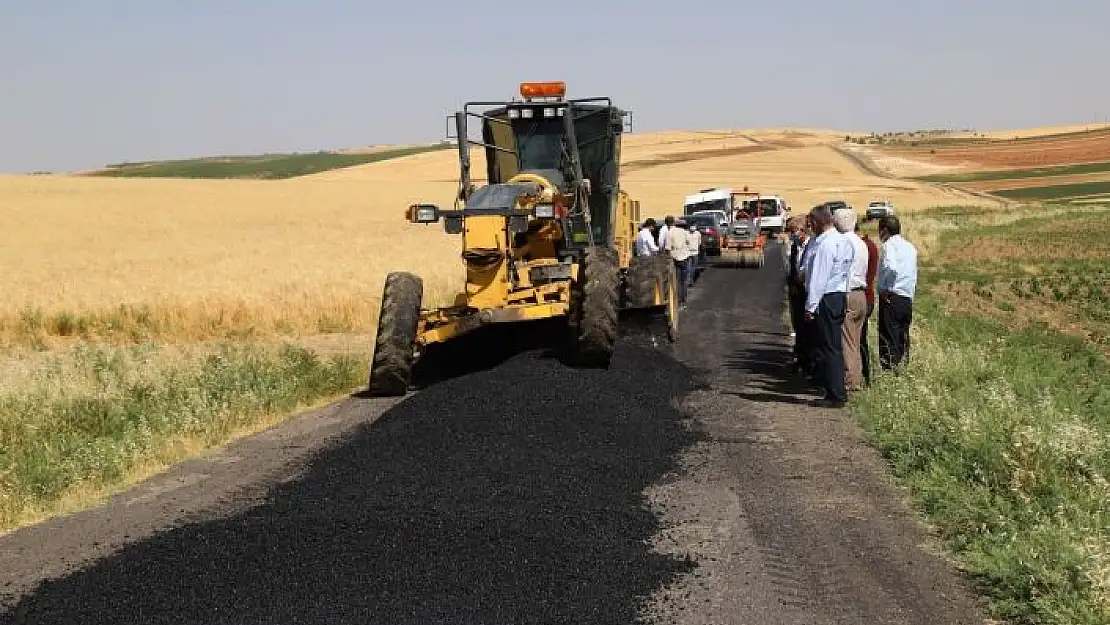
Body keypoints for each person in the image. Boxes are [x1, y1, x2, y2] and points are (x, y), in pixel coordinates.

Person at [803, 203, 855, 408]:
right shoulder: (844, 241)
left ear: (817, 222)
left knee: (829, 347)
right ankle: (836, 389)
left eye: (811, 223)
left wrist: (810, 306)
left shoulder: (825, 245)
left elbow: (819, 277)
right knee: (834, 345)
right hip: (839, 294)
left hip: (826, 297)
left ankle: (835, 394)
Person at [876, 215, 918, 371]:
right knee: (902, 336)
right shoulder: (910, 247)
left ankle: (889, 370)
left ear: (885, 231)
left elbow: (891, 267)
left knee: (888, 338)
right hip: (906, 298)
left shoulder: (889, 246)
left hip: (892, 297)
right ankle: (902, 368)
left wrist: (886, 288)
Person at [833, 208, 868, 392]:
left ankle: (850, 381)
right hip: (861, 293)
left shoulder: (843, 242)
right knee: (855, 339)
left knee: (846, 340)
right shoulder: (861, 243)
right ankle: (857, 377)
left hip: (848, 293)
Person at [785, 215, 811, 372]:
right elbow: (791, 268)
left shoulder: (811, 247)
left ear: (803, 231)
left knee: (806, 327)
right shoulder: (795, 247)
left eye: (794, 231)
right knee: (798, 325)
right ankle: (800, 356)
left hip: (806, 292)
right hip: (796, 292)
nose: (792, 235)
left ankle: (807, 360)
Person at [857, 220, 880, 386]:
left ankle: (863, 374)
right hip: (868, 296)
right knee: (860, 338)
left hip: (863, 295)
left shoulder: (861, 246)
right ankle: (865, 375)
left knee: (858, 339)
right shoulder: (870, 245)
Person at [666, 219, 691, 308]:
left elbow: (668, 248)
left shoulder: (670, 232)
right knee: (683, 281)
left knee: (675, 281)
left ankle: (675, 301)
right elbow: (689, 243)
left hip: (674, 258)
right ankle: (683, 301)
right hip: (684, 258)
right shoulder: (685, 232)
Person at [685, 220, 702, 287]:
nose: (693, 227)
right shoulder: (687, 233)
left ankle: (689, 280)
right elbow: (699, 243)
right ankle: (689, 280)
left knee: (692, 267)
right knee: (690, 268)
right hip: (689, 253)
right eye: (692, 226)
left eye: (694, 226)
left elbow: (699, 242)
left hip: (694, 253)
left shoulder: (697, 233)